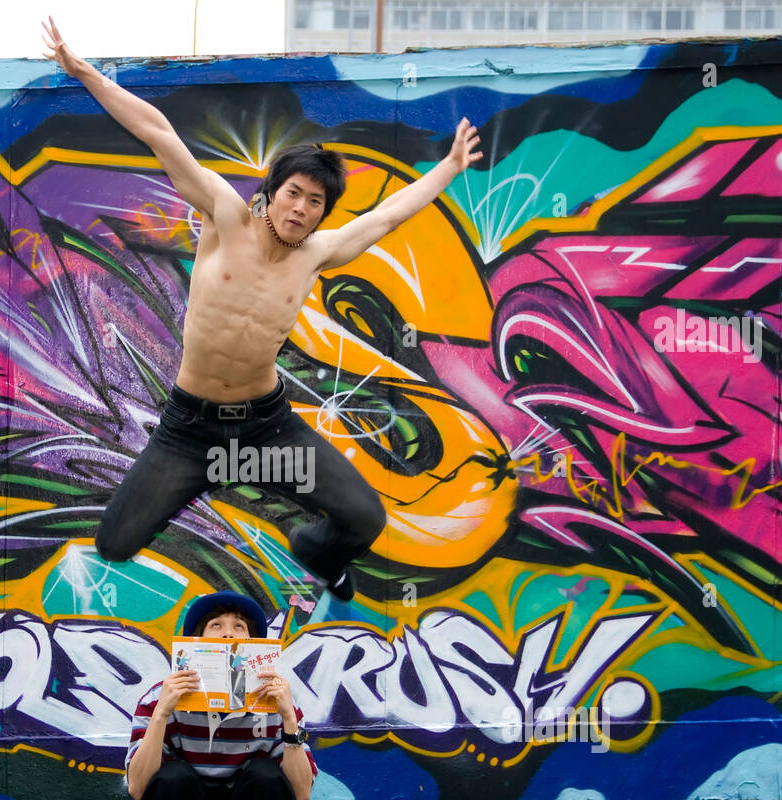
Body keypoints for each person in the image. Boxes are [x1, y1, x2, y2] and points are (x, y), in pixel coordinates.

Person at [43, 17, 483, 600]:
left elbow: (387, 217)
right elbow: (158, 132)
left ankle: (316, 549)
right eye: (294, 193)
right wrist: (82, 72)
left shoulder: (318, 253)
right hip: (189, 431)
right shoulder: (226, 217)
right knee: (116, 541)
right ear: (272, 192)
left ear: (323, 213)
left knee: (365, 520)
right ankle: (200, 480)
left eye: (316, 201)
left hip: (265, 426)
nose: (301, 208)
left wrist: (449, 166)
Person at [123, 590, 317, 800]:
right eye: (216, 625)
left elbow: (300, 793)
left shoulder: (275, 703)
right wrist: (161, 714)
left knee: (265, 776)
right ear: (196, 642)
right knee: (174, 778)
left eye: (239, 626)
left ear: (254, 645)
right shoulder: (159, 697)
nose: (228, 632)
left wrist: (289, 720)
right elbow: (138, 789)